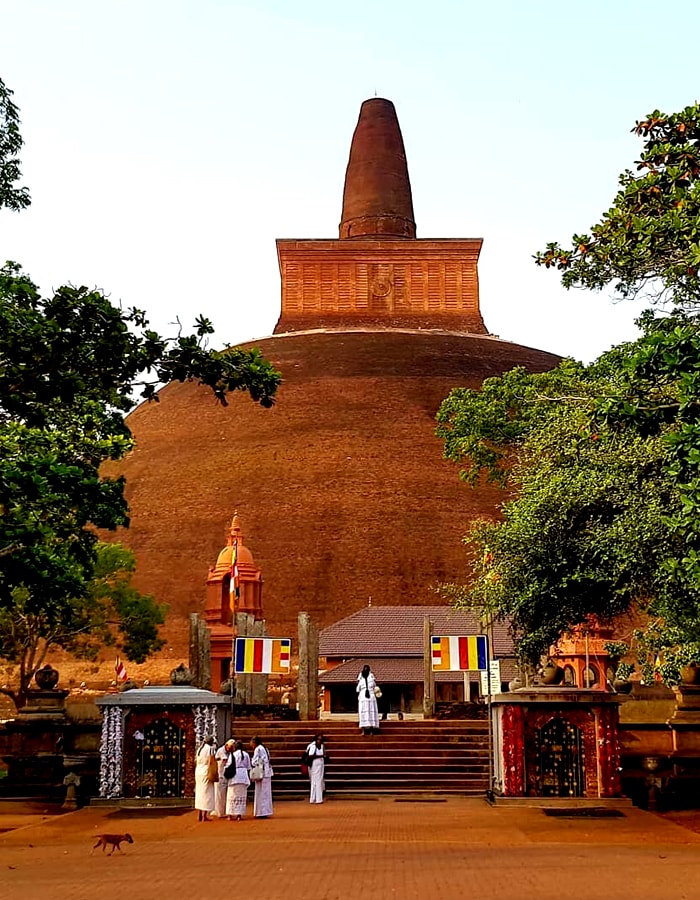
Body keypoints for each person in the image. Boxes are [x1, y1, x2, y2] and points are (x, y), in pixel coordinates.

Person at [225, 740, 251, 821]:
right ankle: (239, 815)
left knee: (231, 795)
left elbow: (228, 765)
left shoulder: (233, 755)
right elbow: (249, 767)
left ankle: (230, 815)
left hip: (234, 776)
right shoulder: (246, 754)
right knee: (241, 796)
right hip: (243, 775)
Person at [194, 735, 216, 822]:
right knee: (207, 793)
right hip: (206, 770)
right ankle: (204, 815)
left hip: (198, 771)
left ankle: (199, 814)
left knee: (200, 792)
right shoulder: (210, 748)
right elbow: (211, 761)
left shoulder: (199, 749)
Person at [250, 735, 274, 818]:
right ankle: (265, 811)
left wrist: (252, 762)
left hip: (262, 772)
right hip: (267, 772)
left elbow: (255, 761)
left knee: (261, 793)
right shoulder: (265, 748)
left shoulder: (258, 749)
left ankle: (261, 812)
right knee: (266, 793)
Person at [213, 738, 235, 817]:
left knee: (223, 794)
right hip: (220, 774)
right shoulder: (221, 750)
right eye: (230, 747)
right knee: (219, 794)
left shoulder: (229, 752)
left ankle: (222, 810)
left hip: (224, 774)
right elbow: (225, 761)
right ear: (226, 745)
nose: (231, 749)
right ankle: (219, 812)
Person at [356, 664, 380, 734]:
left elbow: (357, 689)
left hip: (366, 696)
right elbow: (375, 686)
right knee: (369, 712)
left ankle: (366, 730)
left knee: (366, 712)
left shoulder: (362, 679)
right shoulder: (371, 678)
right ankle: (370, 730)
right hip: (368, 696)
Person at [305, 734, 327, 804]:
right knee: (315, 781)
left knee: (319, 781)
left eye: (320, 740)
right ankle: (316, 799)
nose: (319, 741)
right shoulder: (313, 746)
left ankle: (316, 798)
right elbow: (310, 755)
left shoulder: (322, 746)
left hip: (320, 765)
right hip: (314, 765)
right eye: (318, 739)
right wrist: (321, 756)